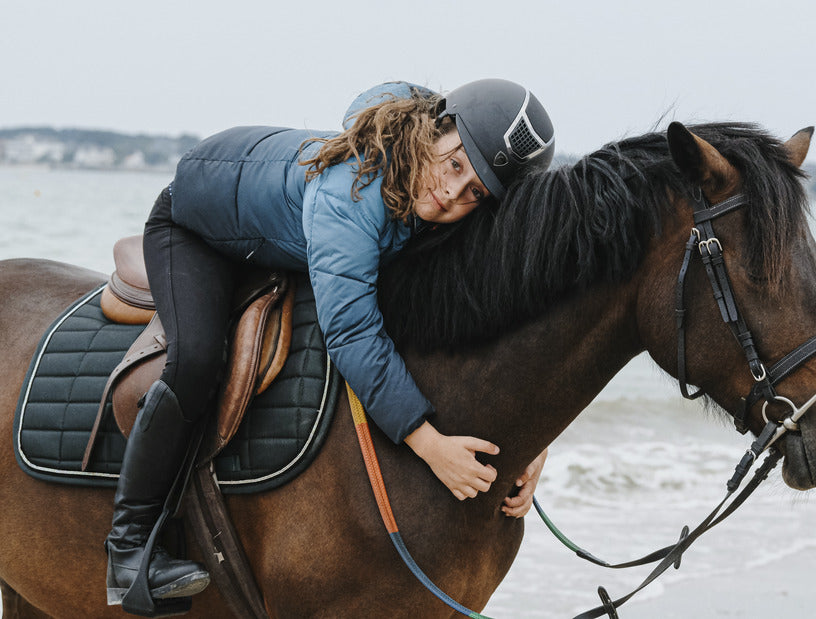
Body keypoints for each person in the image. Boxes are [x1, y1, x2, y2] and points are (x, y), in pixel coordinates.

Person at [105, 79, 555, 607]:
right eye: (454, 166)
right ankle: (128, 549)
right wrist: (432, 448)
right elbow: (352, 334)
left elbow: (493, 316)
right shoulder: (353, 192)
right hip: (194, 226)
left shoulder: (432, 182)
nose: (451, 195)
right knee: (198, 361)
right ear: (437, 128)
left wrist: (535, 441)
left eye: (475, 192)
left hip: (277, 227)